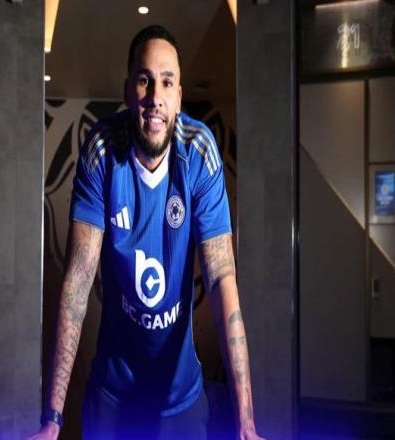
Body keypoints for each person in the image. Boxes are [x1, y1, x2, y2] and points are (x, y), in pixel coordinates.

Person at [29, 25, 264, 440]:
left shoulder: (200, 151)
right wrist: (52, 419)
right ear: (127, 90)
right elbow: (78, 281)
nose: (155, 97)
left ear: (179, 96)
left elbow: (221, 278)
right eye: (144, 80)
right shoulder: (101, 149)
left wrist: (246, 423)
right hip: (112, 399)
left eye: (167, 82)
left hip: (180, 400)